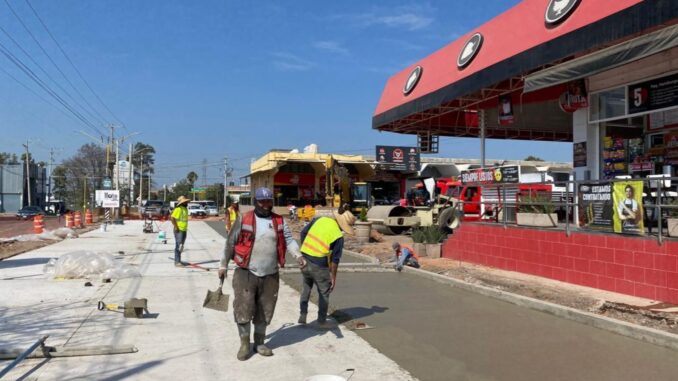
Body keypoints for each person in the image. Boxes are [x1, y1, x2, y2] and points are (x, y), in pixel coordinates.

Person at [220, 187, 305, 361]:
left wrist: (298, 255)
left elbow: (288, 239)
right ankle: (244, 344)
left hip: (270, 274)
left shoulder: (279, 221)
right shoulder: (244, 218)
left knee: (265, 310)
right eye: (262, 201)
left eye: (268, 201)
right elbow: (230, 243)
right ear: (255, 202)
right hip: (246, 272)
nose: (266, 205)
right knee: (243, 308)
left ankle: (259, 342)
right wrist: (223, 265)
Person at [297, 215, 344, 328]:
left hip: (305, 260)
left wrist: (305, 251)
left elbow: (303, 232)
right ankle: (321, 321)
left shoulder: (320, 220)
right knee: (324, 292)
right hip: (319, 264)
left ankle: (303, 314)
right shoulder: (338, 235)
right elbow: (335, 260)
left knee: (306, 288)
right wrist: (333, 277)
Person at [170, 196, 190, 267]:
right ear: (182, 203)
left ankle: (179, 260)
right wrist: (176, 227)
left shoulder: (185, 209)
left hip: (184, 229)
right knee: (178, 246)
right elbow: (172, 218)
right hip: (179, 230)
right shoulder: (178, 209)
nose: (187, 202)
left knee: (181, 247)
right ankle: (177, 262)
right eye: (185, 202)